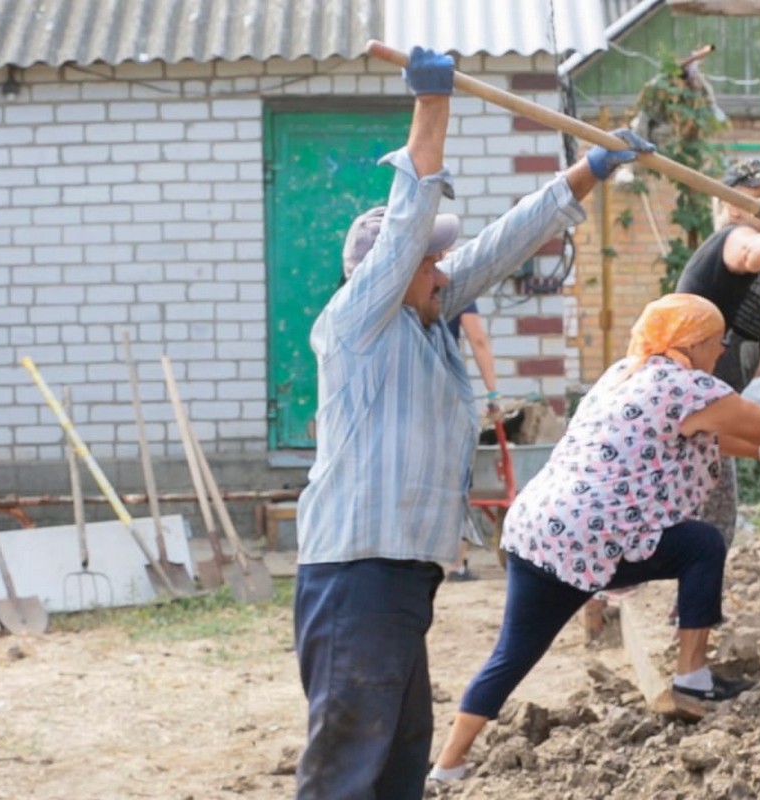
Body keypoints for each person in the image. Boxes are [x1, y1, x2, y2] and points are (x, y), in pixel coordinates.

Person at [292, 44, 655, 800]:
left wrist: (588, 170)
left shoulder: (429, 323)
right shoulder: (361, 322)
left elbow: (496, 249)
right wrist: (432, 106)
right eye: (433, 262)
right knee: (351, 763)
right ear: (392, 274)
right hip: (357, 573)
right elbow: (406, 226)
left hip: (398, 574)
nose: (446, 270)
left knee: (398, 754)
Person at [428, 293, 760, 782]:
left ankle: (448, 765)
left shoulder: (627, 373)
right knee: (701, 545)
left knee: (512, 653)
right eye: (717, 341)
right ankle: (692, 679)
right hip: (588, 538)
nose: (722, 351)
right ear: (693, 342)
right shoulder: (688, 387)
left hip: (536, 529)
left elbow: (702, 433)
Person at [674, 157, 760, 552]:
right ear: (731, 205)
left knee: (712, 525)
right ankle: (685, 610)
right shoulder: (732, 237)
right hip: (693, 404)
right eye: (759, 196)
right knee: (705, 532)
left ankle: (686, 608)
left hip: (708, 410)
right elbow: (748, 253)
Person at [447, 302, 498, 581]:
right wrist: (492, 395)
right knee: (455, 475)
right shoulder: (453, 281)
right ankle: (456, 563)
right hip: (445, 389)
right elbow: (477, 338)